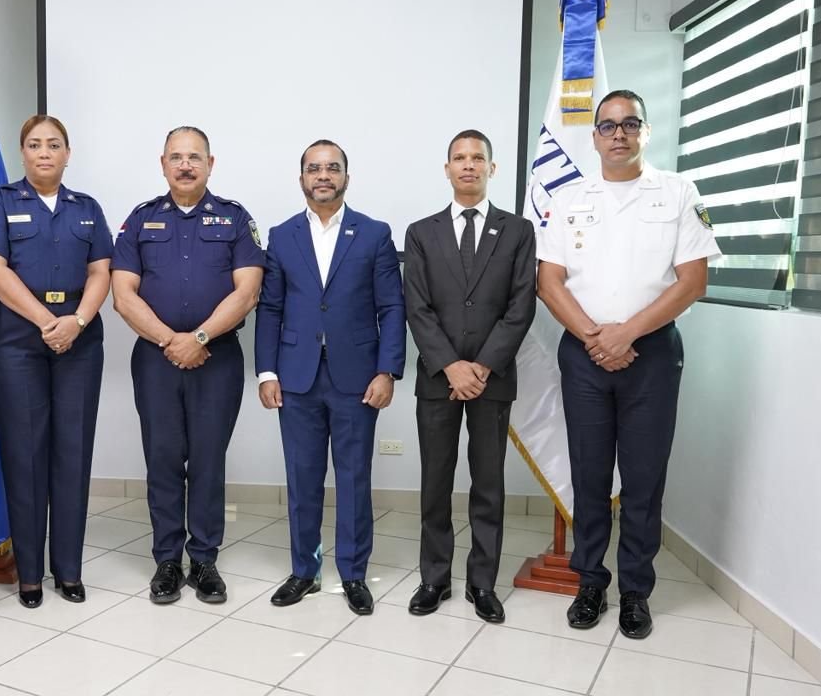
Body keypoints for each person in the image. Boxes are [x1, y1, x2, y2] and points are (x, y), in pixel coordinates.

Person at [536, 90, 721, 639]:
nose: (619, 134)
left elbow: (693, 281)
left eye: (630, 124)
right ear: (594, 137)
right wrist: (597, 338)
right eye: (608, 125)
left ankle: (636, 590)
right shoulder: (568, 198)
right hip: (584, 354)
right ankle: (590, 581)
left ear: (645, 132)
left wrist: (625, 334)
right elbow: (549, 281)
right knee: (589, 475)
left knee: (643, 479)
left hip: (652, 355)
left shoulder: (679, 193)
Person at [111, 126, 264, 605]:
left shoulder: (235, 219)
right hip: (155, 360)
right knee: (162, 457)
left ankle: (204, 560)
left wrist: (198, 339)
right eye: (176, 157)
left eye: (194, 157)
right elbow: (123, 295)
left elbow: (248, 292)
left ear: (210, 164)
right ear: (163, 164)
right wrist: (170, 340)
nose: (185, 165)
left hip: (217, 358)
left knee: (207, 459)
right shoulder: (141, 220)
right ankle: (166, 560)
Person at [253, 139, 405, 616]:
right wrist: (266, 371)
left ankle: (354, 574)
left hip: (357, 377)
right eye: (314, 168)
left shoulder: (374, 233)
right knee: (302, 479)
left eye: (332, 168)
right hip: (295, 377)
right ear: (301, 178)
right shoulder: (282, 235)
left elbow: (391, 307)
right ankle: (305, 571)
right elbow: (270, 308)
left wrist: (387, 370)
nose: (323, 176)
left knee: (355, 479)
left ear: (346, 177)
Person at [0, 115, 113, 608]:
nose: (44, 152)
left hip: (80, 336)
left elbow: (101, 271)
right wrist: (46, 321)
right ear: (23, 153)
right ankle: (30, 574)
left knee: (73, 453)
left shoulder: (86, 208)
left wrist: (77, 320)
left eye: (54, 144)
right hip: (17, 337)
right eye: (34, 144)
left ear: (67, 154)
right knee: (24, 454)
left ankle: (68, 570)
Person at [403, 130, 536, 623]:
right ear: (447, 169)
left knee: (488, 485)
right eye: (459, 158)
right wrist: (451, 365)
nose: (468, 165)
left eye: (478, 158)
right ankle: (434, 579)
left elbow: (521, 306)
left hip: (491, 379)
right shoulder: (421, 232)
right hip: (438, 378)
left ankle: (483, 583)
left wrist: (481, 365)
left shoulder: (518, 230)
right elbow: (417, 306)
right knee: (435, 483)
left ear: (491, 169)